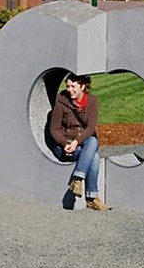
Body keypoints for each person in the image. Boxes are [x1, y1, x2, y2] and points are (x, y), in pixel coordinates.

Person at [48, 74, 110, 211]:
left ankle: (78, 179)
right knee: (93, 156)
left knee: (92, 140)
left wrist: (76, 142)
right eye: (68, 86)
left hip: (80, 142)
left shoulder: (92, 101)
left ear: (82, 86)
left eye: (73, 86)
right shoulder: (61, 102)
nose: (70, 89)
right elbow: (54, 129)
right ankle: (92, 198)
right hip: (64, 145)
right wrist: (65, 144)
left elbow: (90, 128)